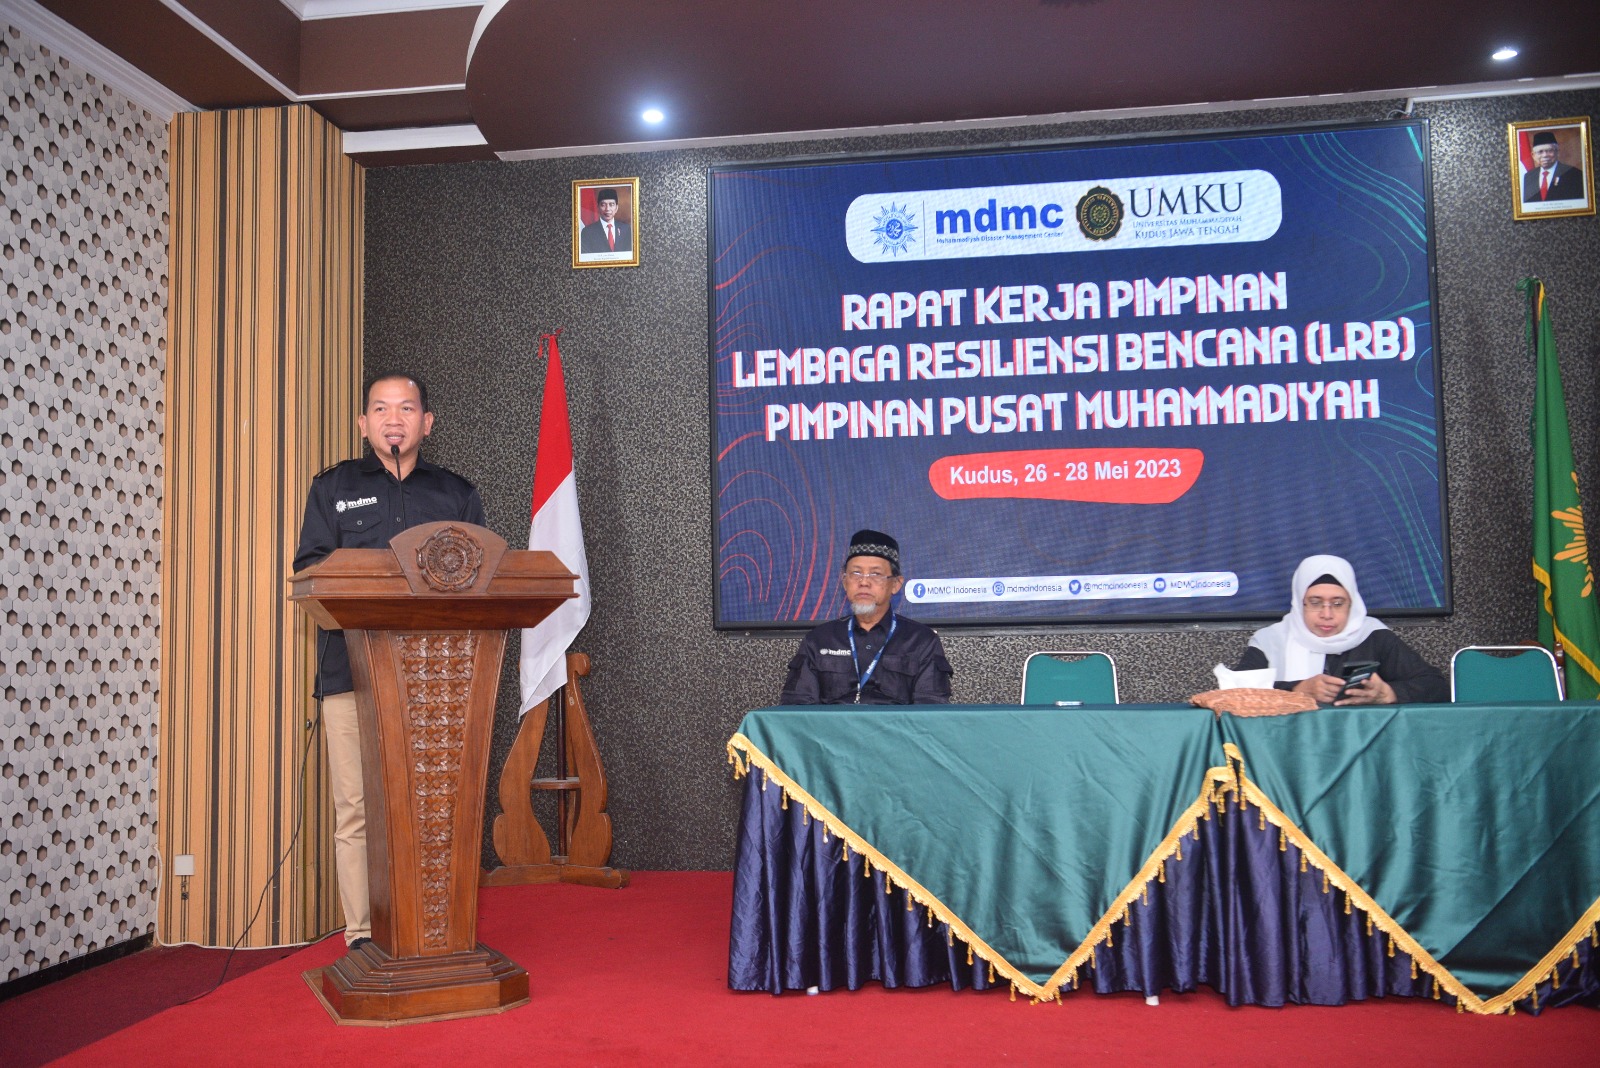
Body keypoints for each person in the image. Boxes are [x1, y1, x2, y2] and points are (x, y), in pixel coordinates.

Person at [292, 372, 486, 950]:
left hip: (438, 682)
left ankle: (436, 928)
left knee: (436, 808)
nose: (393, 419)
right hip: (350, 674)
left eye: (405, 408)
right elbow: (310, 575)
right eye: (380, 409)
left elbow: (482, 579)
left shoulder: (456, 494)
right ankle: (363, 934)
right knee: (357, 808)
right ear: (363, 423)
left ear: (427, 423)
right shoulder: (333, 488)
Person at [1234, 554, 1447, 705]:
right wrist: (1296, 690)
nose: (1327, 614)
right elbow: (1235, 693)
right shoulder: (1271, 640)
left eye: (1338, 603)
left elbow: (1437, 687)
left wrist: (1389, 693)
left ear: (1352, 604)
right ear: (1299, 604)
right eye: (1315, 602)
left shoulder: (1372, 635)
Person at [779, 529, 953, 704]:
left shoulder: (922, 641)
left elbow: (930, 711)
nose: (863, 582)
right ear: (844, 582)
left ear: (896, 584)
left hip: (895, 723)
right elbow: (796, 708)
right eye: (856, 573)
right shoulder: (819, 640)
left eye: (876, 574)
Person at [1522, 131, 1585, 203]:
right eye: (1540, 152)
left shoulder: (1575, 174)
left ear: (1557, 152)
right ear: (1533, 155)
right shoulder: (1528, 177)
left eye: (1549, 151)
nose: (1545, 155)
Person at [579, 188, 633, 253]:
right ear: (598, 207)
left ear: (616, 208)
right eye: (603, 205)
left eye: (611, 204)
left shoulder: (626, 229)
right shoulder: (587, 232)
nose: (607, 209)